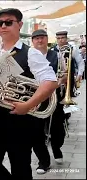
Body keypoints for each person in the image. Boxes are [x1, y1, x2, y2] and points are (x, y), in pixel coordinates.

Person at [0, 9, 58, 179]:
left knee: (20, 168)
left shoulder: (31, 53)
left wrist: (28, 105)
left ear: (20, 25)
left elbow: (50, 82)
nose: (3, 26)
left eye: (8, 22)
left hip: (20, 121)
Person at [31, 29, 68, 174]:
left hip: (54, 97)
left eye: (42, 38)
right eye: (36, 38)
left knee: (57, 130)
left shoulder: (57, 55)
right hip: (35, 98)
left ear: (47, 39)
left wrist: (59, 82)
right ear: (33, 41)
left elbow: (64, 74)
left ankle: (56, 148)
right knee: (35, 132)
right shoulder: (29, 56)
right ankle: (43, 161)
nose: (39, 41)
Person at [50, 31, 85, 95]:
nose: (60, 40)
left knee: (70, 93)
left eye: (62, 38)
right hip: (56, 78)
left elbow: (80, 62)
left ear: (66, 38)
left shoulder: (72, 49)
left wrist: (79, 74)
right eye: (58, 38)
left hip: (69, 77)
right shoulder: (52, 50)